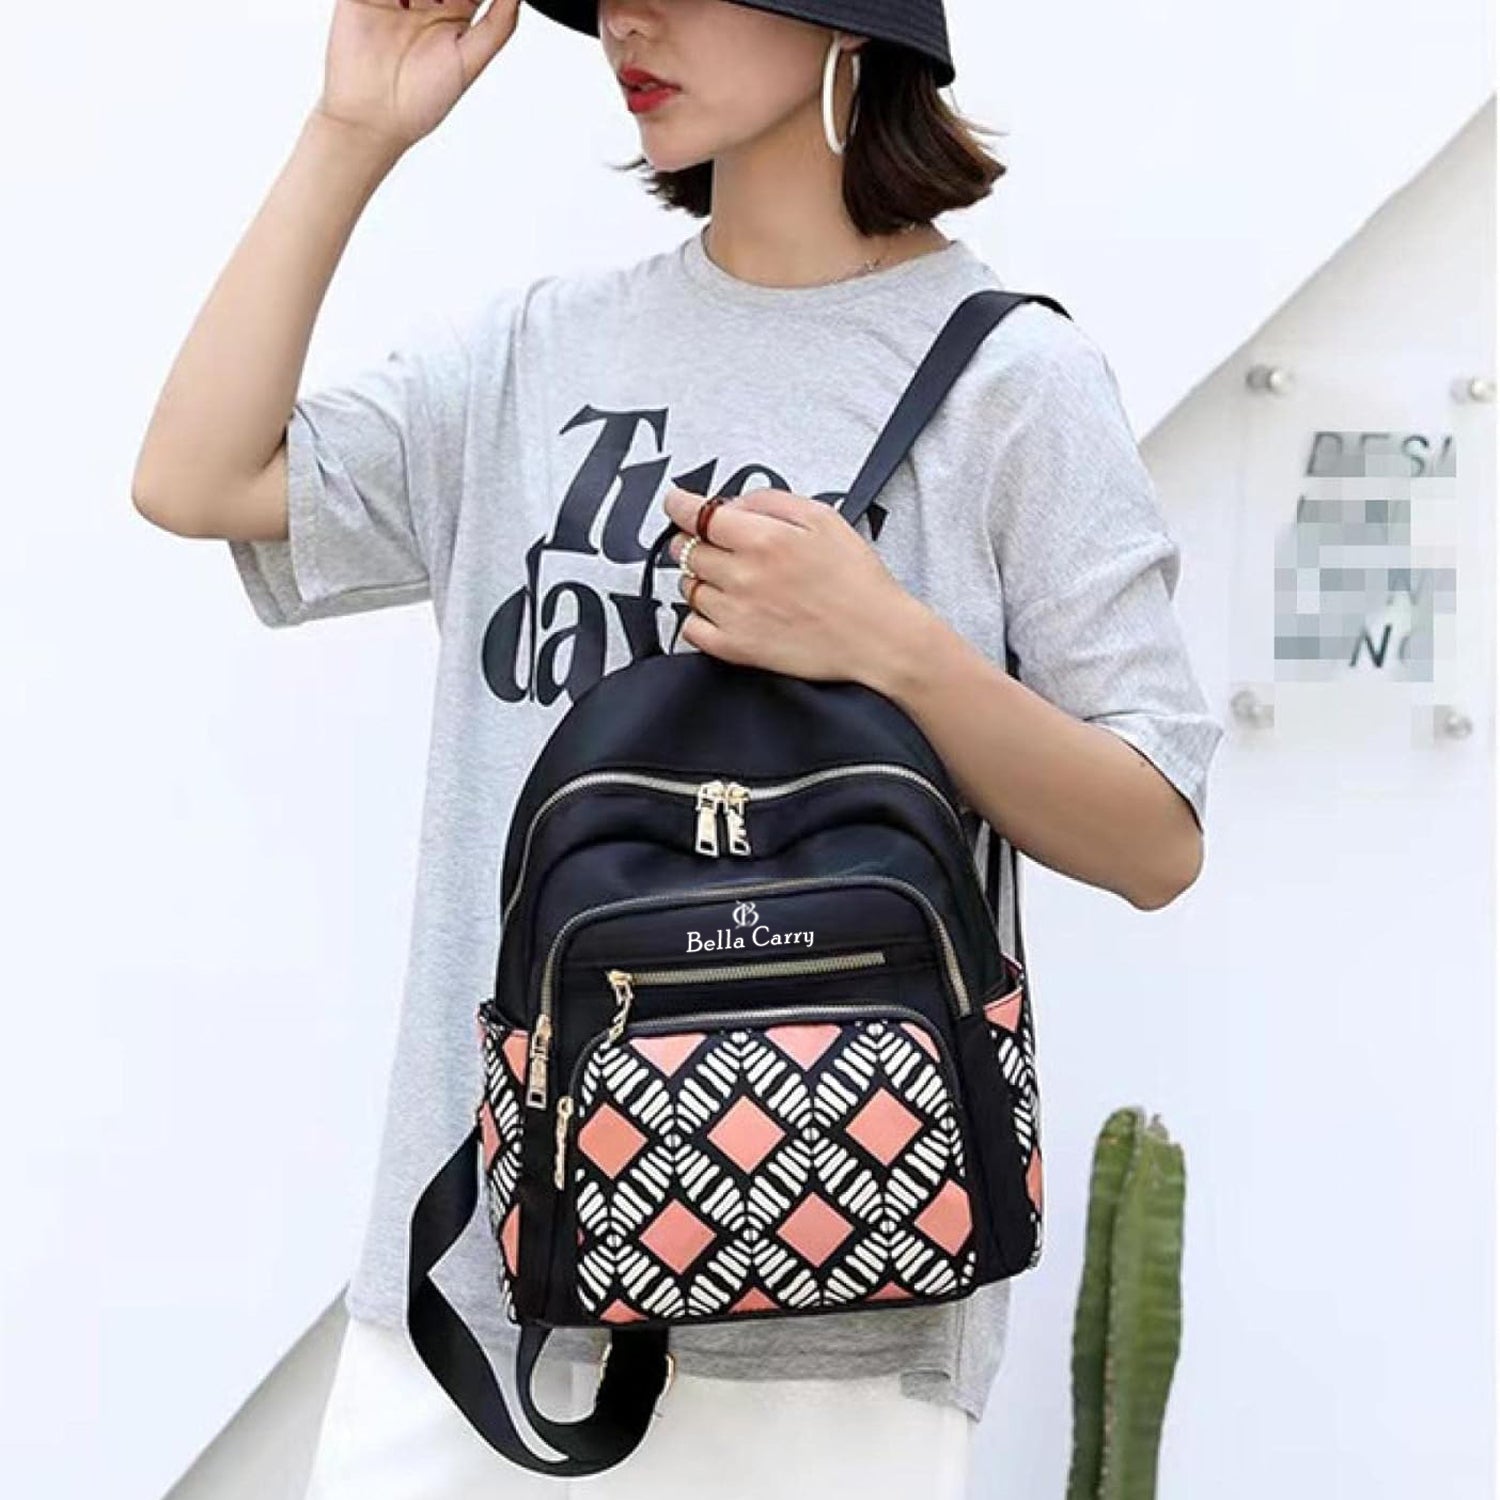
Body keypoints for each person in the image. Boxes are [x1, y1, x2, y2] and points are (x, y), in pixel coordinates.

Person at [131, 0, 1225, 1492]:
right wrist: (353, 133)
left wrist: (891, 645)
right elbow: (197, 478)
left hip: (843, 1321)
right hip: (487, 1294)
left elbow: (1155, 836)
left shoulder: (1011, 382)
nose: (625, 21)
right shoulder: (535, 353)